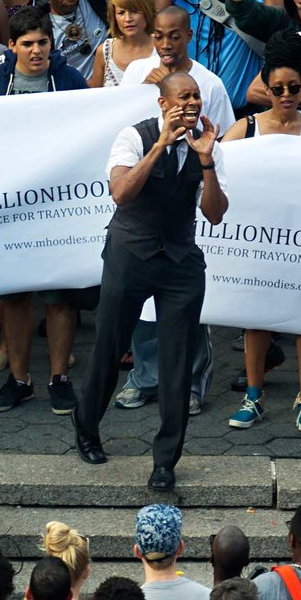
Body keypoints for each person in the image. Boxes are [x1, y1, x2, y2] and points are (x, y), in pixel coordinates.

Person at [72, 71, 229, 492]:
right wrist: (161, 144)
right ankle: (86, 426)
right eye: (183, 97)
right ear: (163, 104)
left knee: (177, 362)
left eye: (197, 96)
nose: (192, 103)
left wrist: (207, 159)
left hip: (179, 259)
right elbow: (121, 193)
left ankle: (165, 462)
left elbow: (214, 213)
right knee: (110, 345)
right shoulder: (134, 136)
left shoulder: (207, 146)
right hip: (131, 253)